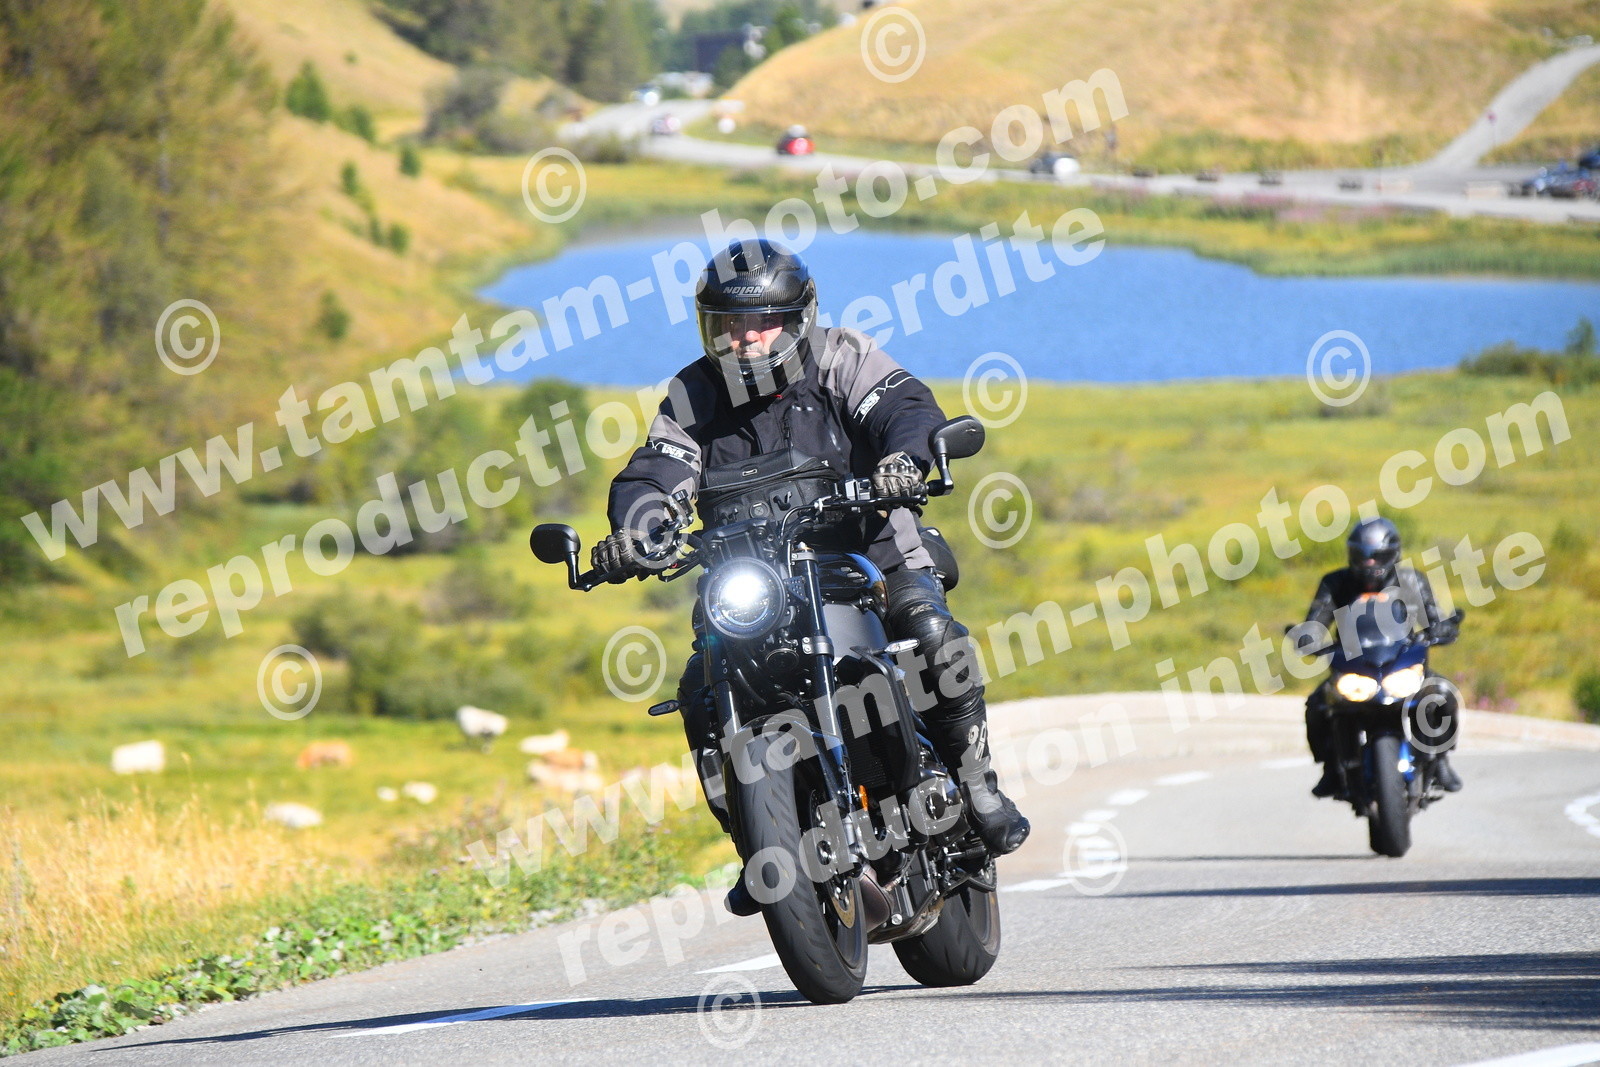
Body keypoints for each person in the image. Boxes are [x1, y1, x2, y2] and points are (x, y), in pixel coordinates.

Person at [591, 238, 1031, 878]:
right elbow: (659, 466)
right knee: (700, 692)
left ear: (798, 319)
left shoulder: (842, 356)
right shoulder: (693, 392)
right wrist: (640, 528)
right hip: (756, 579)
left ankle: (976, 783)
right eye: (729, 323)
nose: (745, 338)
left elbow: (903, 407)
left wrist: (903, 460)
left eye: (761, 322)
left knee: (930, 633)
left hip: (869, 554)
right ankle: (758, 848)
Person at [1302, 517, 1463, 798]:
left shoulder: (1411, 580)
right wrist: (1308, 637)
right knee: (1316, 707)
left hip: (1402, 663)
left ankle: (1439, 760)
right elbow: (1315, 620)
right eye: (1362, 556)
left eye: (1377, 556)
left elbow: (1434, 615)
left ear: (1393, 554)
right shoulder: (1335, 583)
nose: (1370, 564)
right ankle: (1330, 768)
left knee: (1443, 696)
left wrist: (1443, 628)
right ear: (1351, 555)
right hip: (1353, 667)